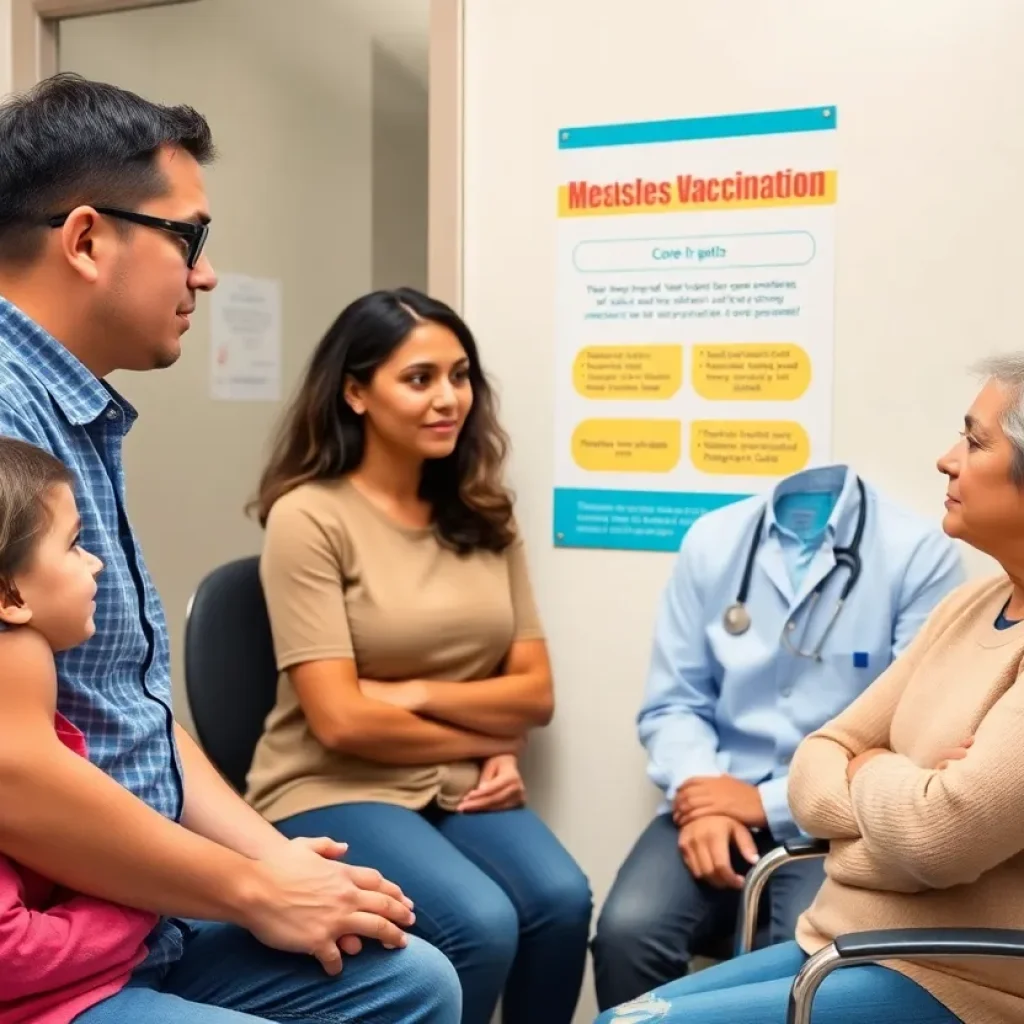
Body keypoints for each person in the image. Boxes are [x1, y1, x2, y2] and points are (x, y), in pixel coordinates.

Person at [0, 74, 460, 1024]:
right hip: (51, 947)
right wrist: (254, 891)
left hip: (137, 909)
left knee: (411, 977)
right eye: (190, 238)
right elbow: (10, 767)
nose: (205, 275)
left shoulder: (75, 413)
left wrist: (272, 858)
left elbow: (129, 704)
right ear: (87, 239)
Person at [595, 356, 1024, 1024]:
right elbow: (825, 749)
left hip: (949, 970)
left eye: (974, 441)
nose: (946, 460)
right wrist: (896, 785)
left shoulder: (913, 556)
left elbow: (940, 834)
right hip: (853, 934)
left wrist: (868, 769)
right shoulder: (971, 606)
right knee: (619, 1002)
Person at [246, 286, 593, 1024]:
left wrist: (414, 695)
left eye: (460, 375)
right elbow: (339, 722)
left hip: (454, 781)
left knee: (561, 902)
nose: (449, 399)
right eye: (419, 378)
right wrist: (491, 736)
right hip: (331, 785)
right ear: (355, 393)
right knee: (481, 922)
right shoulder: (308, 516)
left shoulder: (483, 509)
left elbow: (535, 693)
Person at [0, 437, 156, 1024]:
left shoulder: (48, 716)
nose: (96, 562)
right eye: (74, 545)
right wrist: (144, 896)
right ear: (7, 594)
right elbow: (10, 951)